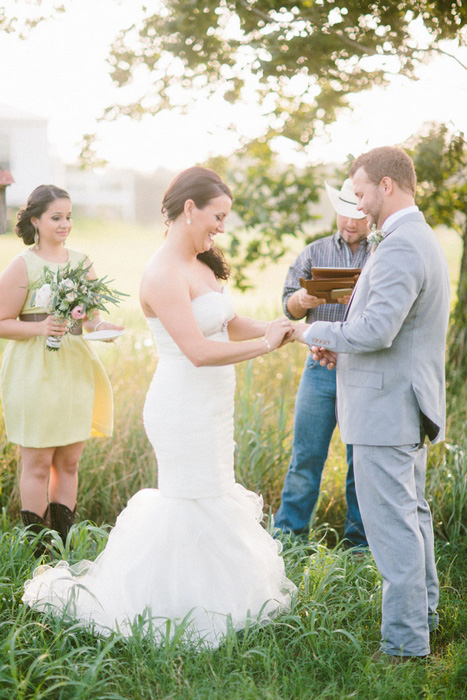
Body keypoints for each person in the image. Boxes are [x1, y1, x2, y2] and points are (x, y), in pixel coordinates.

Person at [22, 167, 297, 649]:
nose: (222, 228)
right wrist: (267, 347)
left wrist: (282, 326)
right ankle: (173, 603)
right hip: (181, 405)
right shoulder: (162, 272)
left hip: (213, 405)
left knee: (213, 491)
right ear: (188, 209)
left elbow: (228, 324)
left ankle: (222, 593)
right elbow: (197, 350)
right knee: (190, 496)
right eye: (217, 216)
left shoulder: (203, 263)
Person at [296, 147, 450, 661]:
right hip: (401, 402)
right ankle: (424, 616)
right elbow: (389, 330)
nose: (357, 205)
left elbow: (378, 330)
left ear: (387, 185)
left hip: (387, 410)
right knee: (412, 516)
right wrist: (340, 344)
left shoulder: (402, 245)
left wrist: (309, 330)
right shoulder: (413, 237)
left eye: (360, 192)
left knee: (391, 529)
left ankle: (405, 644)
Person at [0, 185, 123, 549]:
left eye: (69, 216)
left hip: (73, 368)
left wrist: (104, 328)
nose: (65, 224)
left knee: (69, 462)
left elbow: (92, 319)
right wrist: (40, 327)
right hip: (33, 371)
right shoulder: (23, 265)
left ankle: (63, 545)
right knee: (37, 462)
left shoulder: (82, 262)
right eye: (57, 217)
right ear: (35, 220)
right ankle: (37, 550)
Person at [274, 179, 370, 547]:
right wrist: (303, 299)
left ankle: (358, 544)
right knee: (306, 456)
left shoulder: (381, 253)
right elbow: (286, 305)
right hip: (319, 368)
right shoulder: (313, 253)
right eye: (344, 212)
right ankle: (288, 537)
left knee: (358, 462)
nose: (350, 221)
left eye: (359, 214)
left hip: (362, 367)